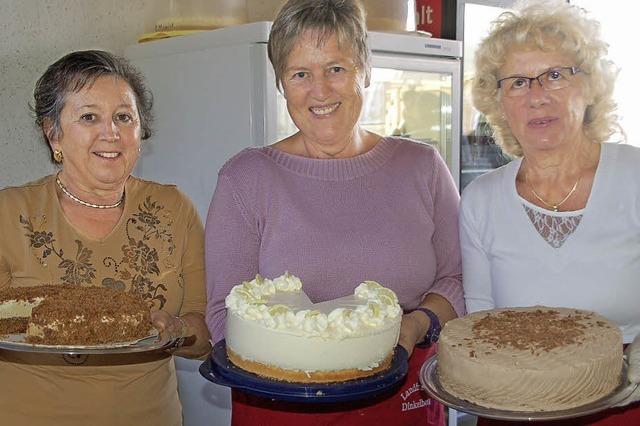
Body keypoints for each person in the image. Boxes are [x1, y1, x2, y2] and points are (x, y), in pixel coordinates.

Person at [204, 0, 464, 424]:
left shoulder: (421, 166)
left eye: (336, 68)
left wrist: (414, 326)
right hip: (280, 406)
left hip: (400, 400)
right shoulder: (246, 177)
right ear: (281, 84)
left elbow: (457, 278)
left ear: (365, 70)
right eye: (300, 73)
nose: (320, 90)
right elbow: (222, 312)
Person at [0, 50, 211, 426]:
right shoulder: (9, 213)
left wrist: (177, 330)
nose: (110, 132)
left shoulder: (173, 208)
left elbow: (203, 333)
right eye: (88, 117)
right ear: (53, 134)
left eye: (123, 117)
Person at [460, 1, 640, 424]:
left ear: (591, 86)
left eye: (556, 75)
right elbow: (480, 327)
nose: (538, 96)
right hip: (510, 407)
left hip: (624, 407)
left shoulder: (636, 177)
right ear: (499, 102)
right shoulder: (480, 200)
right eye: (518, 82)